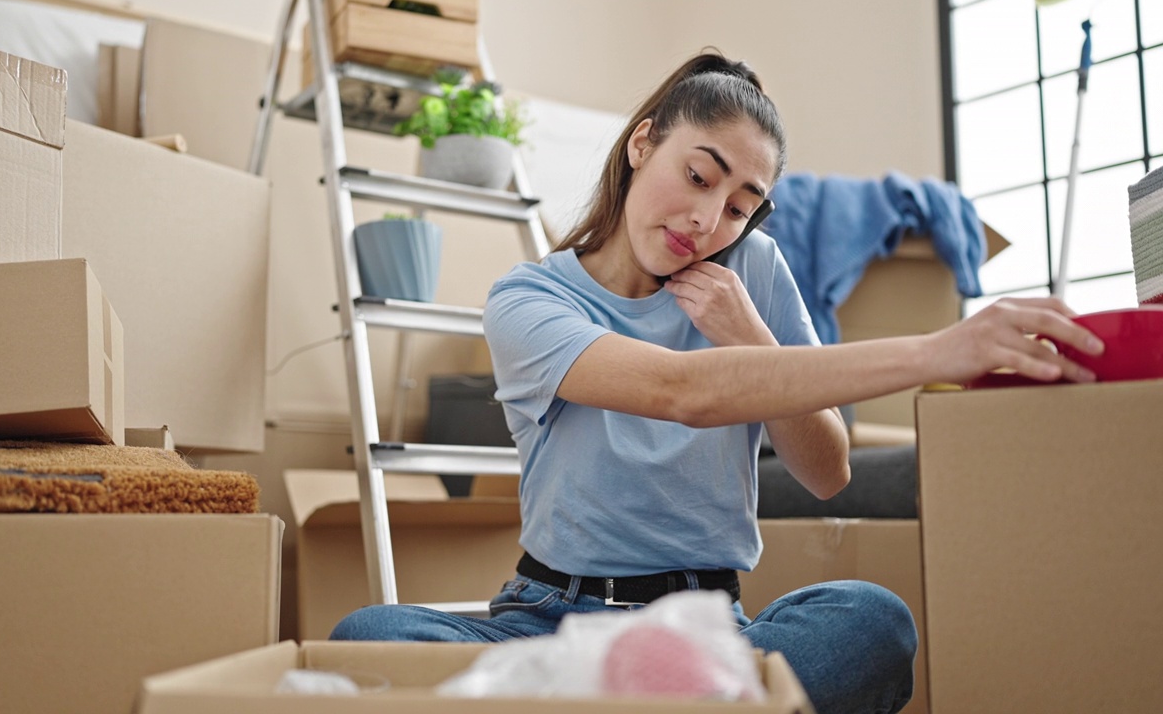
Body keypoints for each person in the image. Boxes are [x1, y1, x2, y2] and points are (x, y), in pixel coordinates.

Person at [329, 50, 1104, 714]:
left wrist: (752, 337)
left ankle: (636, 696)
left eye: (740, 207)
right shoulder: (529, 299)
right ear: (642, 144)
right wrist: (938, 352)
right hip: (550, 617)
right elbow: (679, 392)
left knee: (872, 620)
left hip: (707, 630)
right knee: (370, 637)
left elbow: (827, 471)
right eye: (698, 176)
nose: (708, 219)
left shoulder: (752, 272)